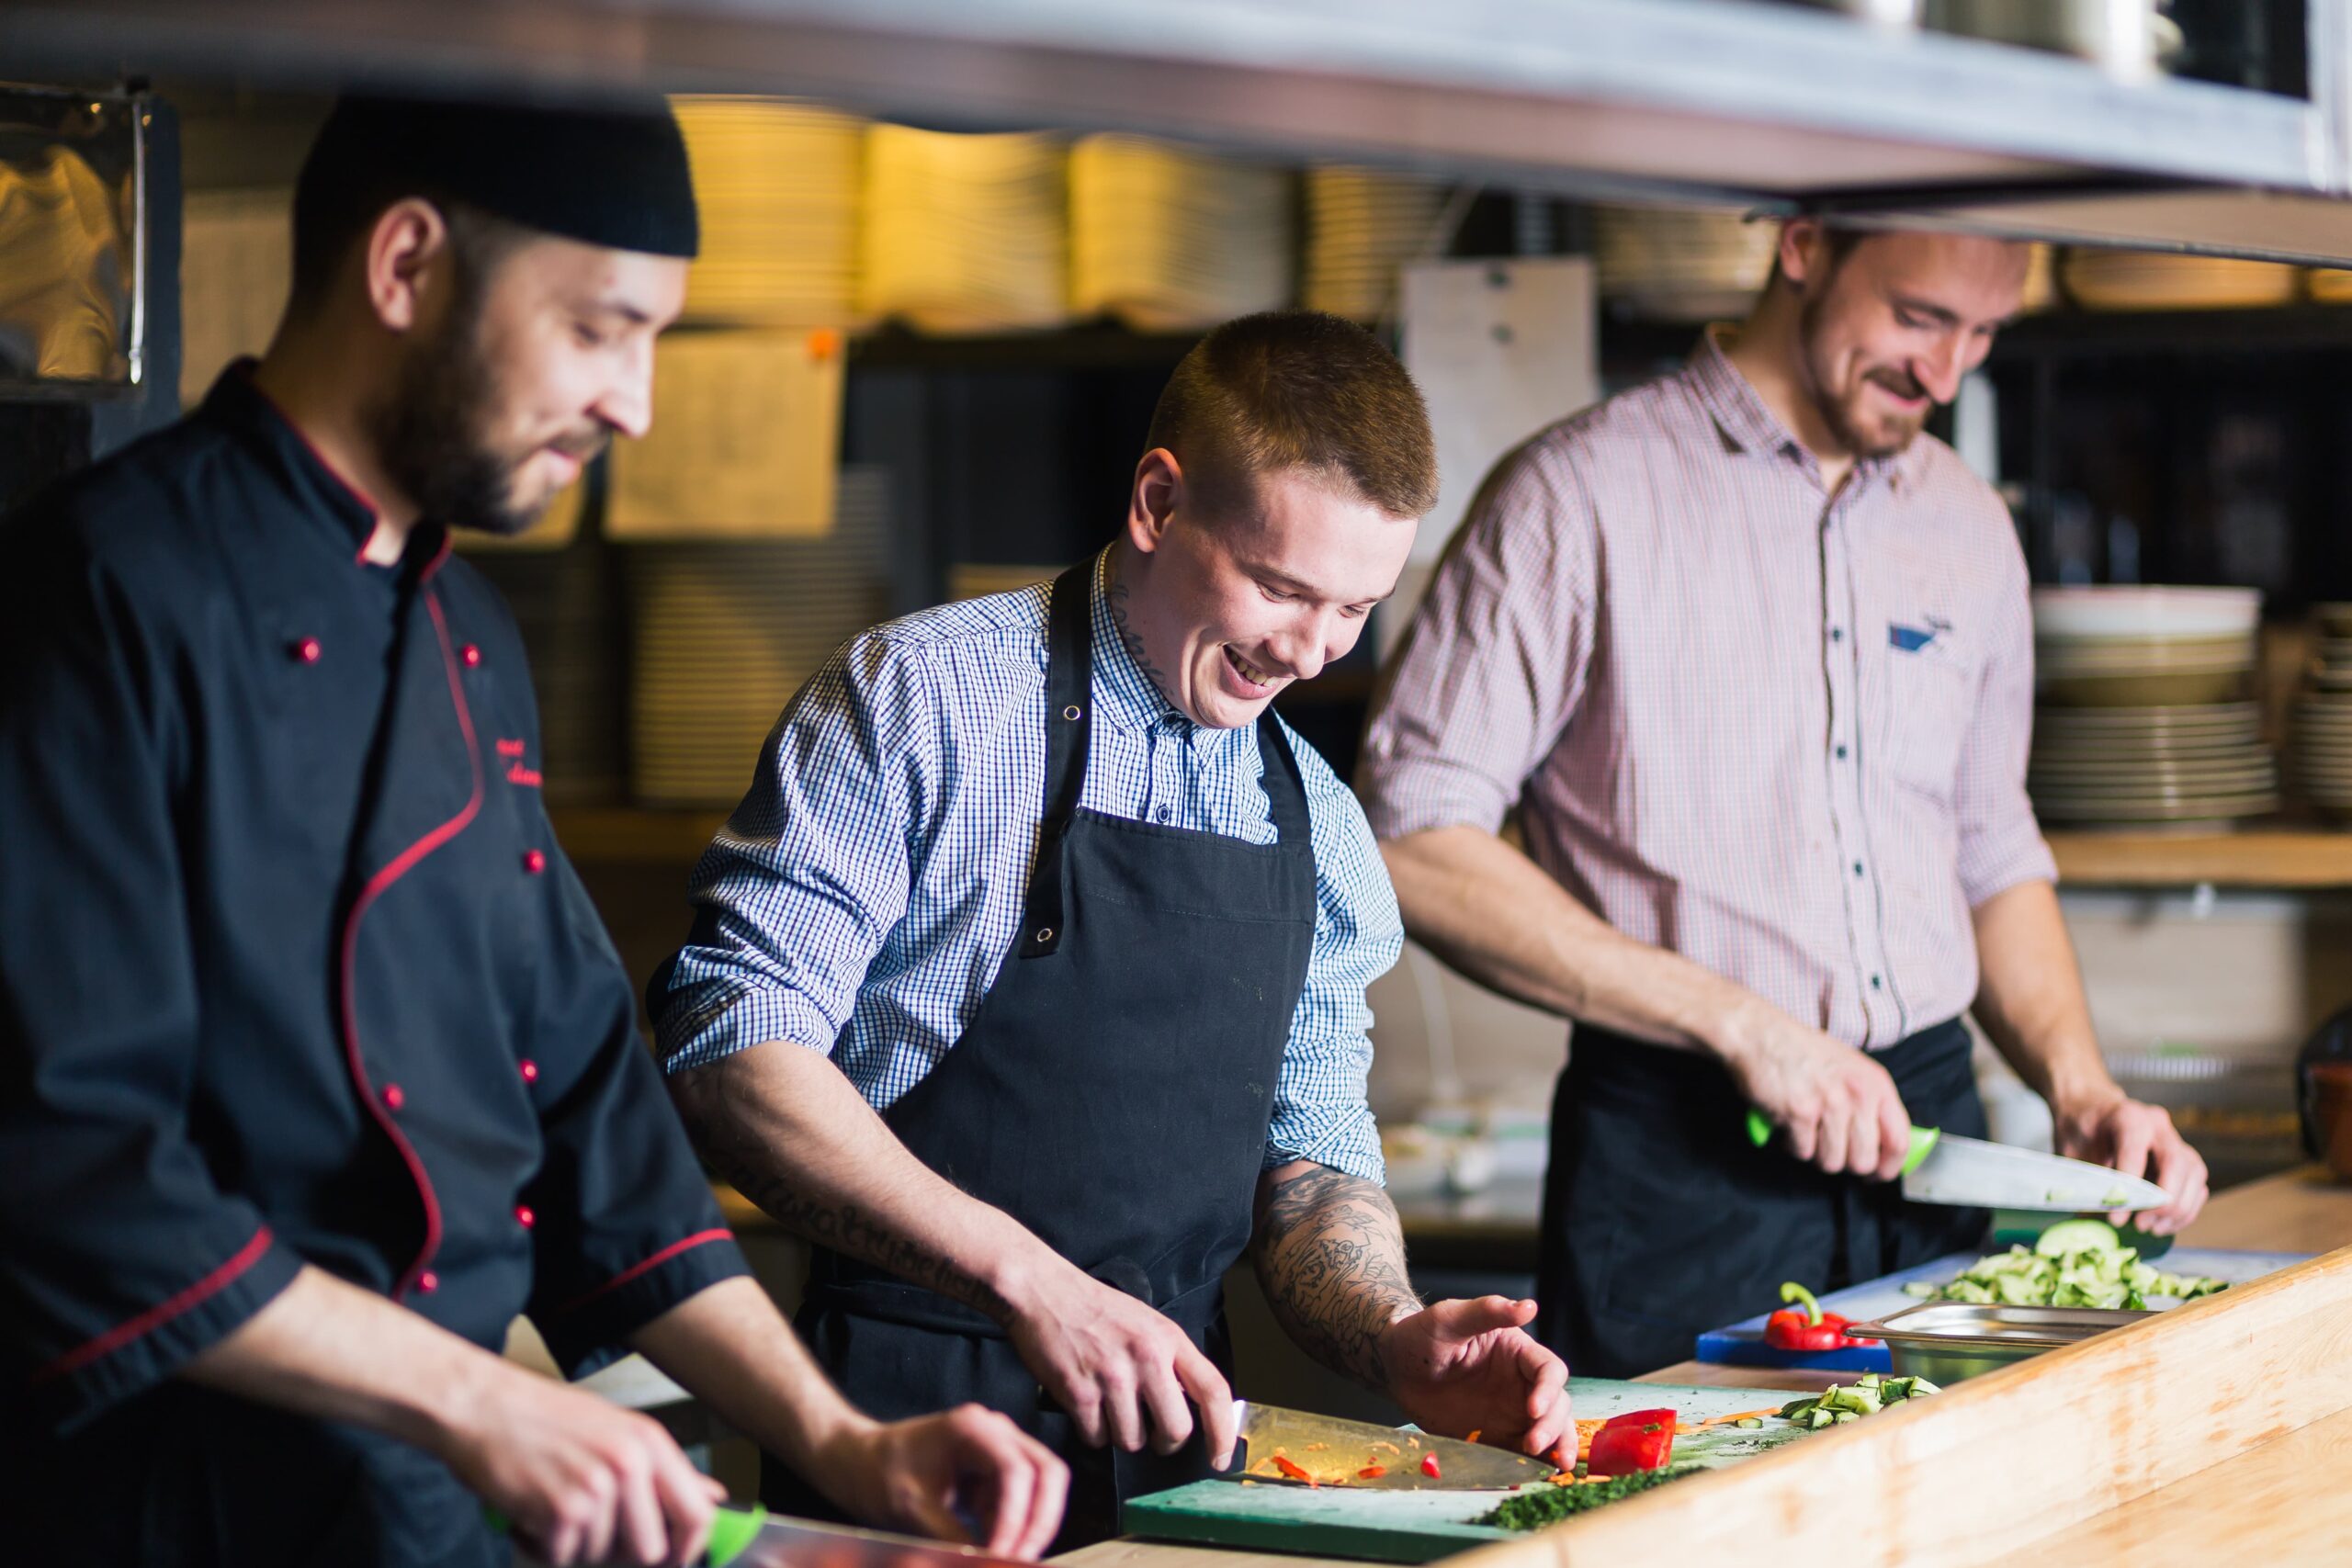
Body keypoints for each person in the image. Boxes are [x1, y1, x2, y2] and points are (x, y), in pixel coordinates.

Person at [0, 94, 1063, 1568]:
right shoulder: (102, 589)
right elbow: (69, 1166)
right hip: (163, 1508)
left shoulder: (470, 636)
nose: (634, 402)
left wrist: (841, 1444)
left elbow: (590, 1121)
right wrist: (484, 1403)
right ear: (408, 265)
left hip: (413, 1511)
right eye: (597, 328)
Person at [652, 310, 1572, 1550]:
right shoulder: (925, 705)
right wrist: (1033, 1284)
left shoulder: (1316, 818)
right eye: (1282, 586)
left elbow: (1307, 1163)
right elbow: (733, 1052)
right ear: (1156, 500)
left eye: (1354, 607)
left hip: (1179, 1449)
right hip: (911, 1433)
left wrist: (1397, 1331)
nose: (1307, 650)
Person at [1356, 220, 2211, 1380]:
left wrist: (2078, 1085)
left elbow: (1989, 847)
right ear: (1802, 242)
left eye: (1982, 332)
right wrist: (1743, 1026)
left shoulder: (1967, 524)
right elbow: (1411, 835)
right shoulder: (1578, 493)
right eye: (1916, 317)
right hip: (1683, 1158)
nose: (1946, 370)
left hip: (1929, 1140)